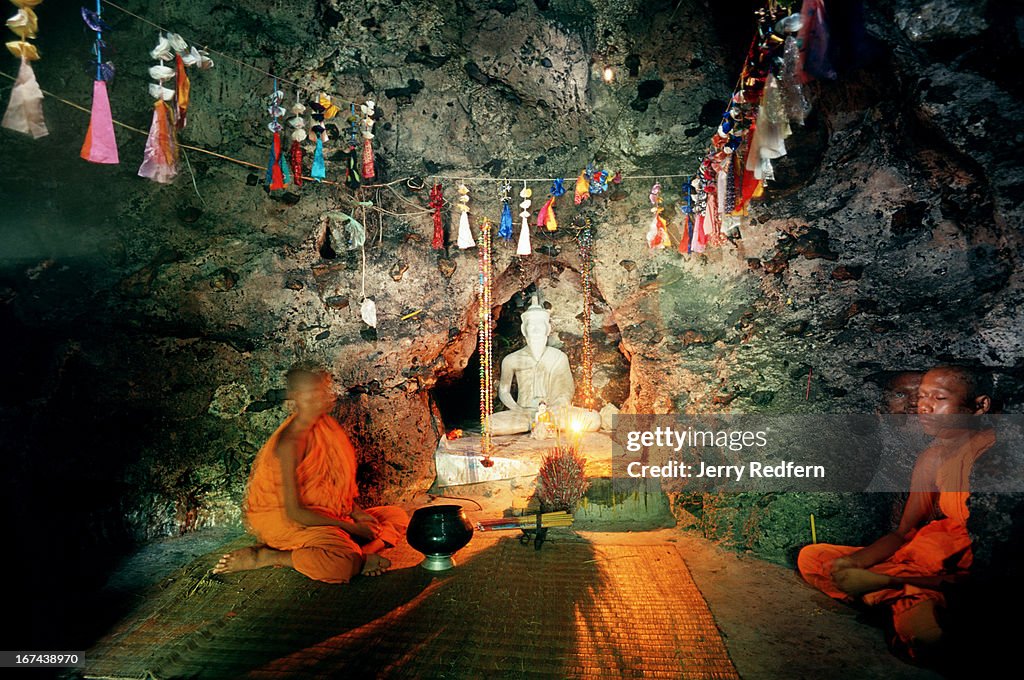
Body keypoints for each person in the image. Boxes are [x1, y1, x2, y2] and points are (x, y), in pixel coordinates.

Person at [798, 365, 996, 658]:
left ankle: (890, 597)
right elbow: (904, 532)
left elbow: (985, 573)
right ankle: (891, 598)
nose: (922, 406)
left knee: (928, 640)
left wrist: (887, 580)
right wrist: (854, 561)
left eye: (937, 399)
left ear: (980, 406)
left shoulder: (994, 451)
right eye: (921, 397)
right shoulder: (933, 457)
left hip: (957, 575)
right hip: (920, 561)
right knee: (814, 559)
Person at [213, 365, 408, 583]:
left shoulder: (323, 425)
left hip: (324, 516)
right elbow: (295, 513)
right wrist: (352, 528)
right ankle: (269, 556)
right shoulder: (290, 442)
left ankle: (360, 556)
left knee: (396, 515)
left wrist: (358, 514)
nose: (320, 399)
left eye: (322, 392)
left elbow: (333, 487)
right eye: (311, 394)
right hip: (291, 523)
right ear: (296, 397)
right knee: (340, 562)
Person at [490, 295, 601, 435]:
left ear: (547, 330)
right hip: (524, 413)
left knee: (594, 419)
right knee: (490, 424)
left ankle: (540, 424)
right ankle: (537, 424)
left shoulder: (558, 357)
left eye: (540, 326)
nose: (536, 331)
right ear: (525, 331)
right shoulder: (512, 359)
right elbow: (504, 391)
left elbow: (566, 389)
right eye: (532, 327)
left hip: (554, 411)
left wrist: (557, 406)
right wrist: (518, 409)